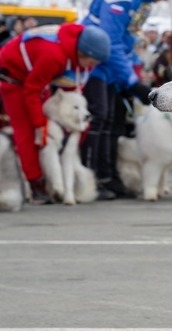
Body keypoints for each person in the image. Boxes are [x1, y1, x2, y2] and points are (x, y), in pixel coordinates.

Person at [0, 23, 110, 204]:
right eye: (92, 63)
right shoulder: (53, 55)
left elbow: (74, 88)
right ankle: (35, 185)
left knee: (48, 133)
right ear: (84, 54)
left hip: (37, 80)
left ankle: (51, 181)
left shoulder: (80, 52)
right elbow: (31, 90)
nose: (93, 67)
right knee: (28, 133)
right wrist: (39, 125)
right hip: (13, 79)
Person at [82, 0, 156, 200]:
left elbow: (127, 40)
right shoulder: (119, 2)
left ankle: (109, 175)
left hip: (112, 69)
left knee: (114, 123)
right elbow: (109, 42)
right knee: (100, 119)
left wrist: (129, 79)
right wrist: (131, 81)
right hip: (95, 65)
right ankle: (93, 177)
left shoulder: (143, 4)